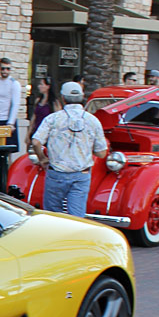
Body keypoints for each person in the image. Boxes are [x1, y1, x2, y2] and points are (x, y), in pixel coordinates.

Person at [30, 81, 108, 218]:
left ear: (63, 98)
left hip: (56, 173)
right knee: (76, 216)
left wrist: (42, 158)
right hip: (81, 175)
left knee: (53, 216)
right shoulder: (93, 120)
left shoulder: (53, 118)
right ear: (82, 98)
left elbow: (36, 142)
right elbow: (101, 153)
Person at [0, 57, 22, 151]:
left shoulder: (14, 84)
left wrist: (11, 122)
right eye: (3, 68)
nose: (5, 71)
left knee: (8, 150)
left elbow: (16, 104)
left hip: (8, 120)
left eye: (8, 68)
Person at [26, 77, 61, 149]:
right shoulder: (38, 100)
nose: (39, 86)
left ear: (48, 86)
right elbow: (33, 118)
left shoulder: (54, 103)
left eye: (41, 84)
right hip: (36, 132)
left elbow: (58, 121)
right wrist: (28, 134)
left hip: (47, 135)